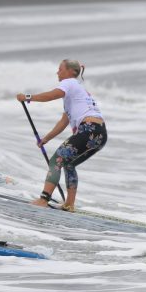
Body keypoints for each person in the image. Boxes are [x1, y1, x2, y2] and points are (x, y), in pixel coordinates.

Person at [16, 59, 107, 212]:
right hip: (100, 133)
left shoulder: (69, 82)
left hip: (88, 129)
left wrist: (28, 97)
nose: (57, 72)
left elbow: (53, 95)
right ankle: (69, 204)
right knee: (69, 163)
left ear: (71, 72)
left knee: (56, 161)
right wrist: (46, 139)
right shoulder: (77, 90)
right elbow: (64, 121)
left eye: (60, 69)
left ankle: (44, 199)